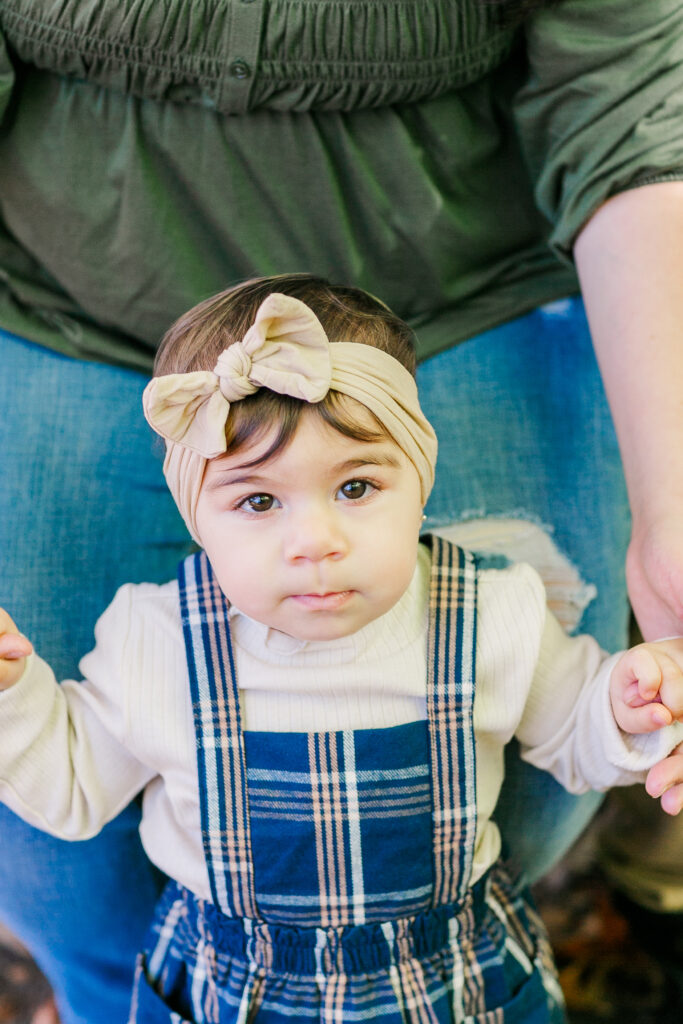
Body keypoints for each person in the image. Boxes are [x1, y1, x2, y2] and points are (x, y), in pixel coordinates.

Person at [1, 2, 683, 1021]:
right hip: (227, 990)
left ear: (421, 473)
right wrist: (12, 693)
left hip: (437, 987)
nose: (314, 538)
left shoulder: (488, 611)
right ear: (198, 517)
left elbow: (570, 726)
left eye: (357, 488)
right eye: (259, 501)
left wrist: (628, 708)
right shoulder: (155, 644)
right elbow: (67, 779)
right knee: (61, 877)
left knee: (544, 818)